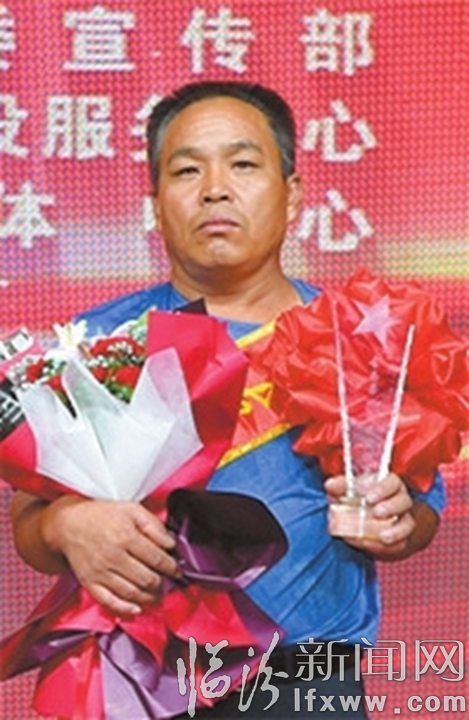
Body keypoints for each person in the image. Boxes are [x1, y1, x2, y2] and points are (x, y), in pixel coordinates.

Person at [10, 81, 445, 718]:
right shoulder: (99, 341)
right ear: (155, 204)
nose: (215, 189)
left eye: (242, 164)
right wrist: (67, 525)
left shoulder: (358, 337)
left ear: (292, 195)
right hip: (139, 676)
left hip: (305, 679)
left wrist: (399, 521)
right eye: (187, 170)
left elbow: (422, 509)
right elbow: (31, 517)